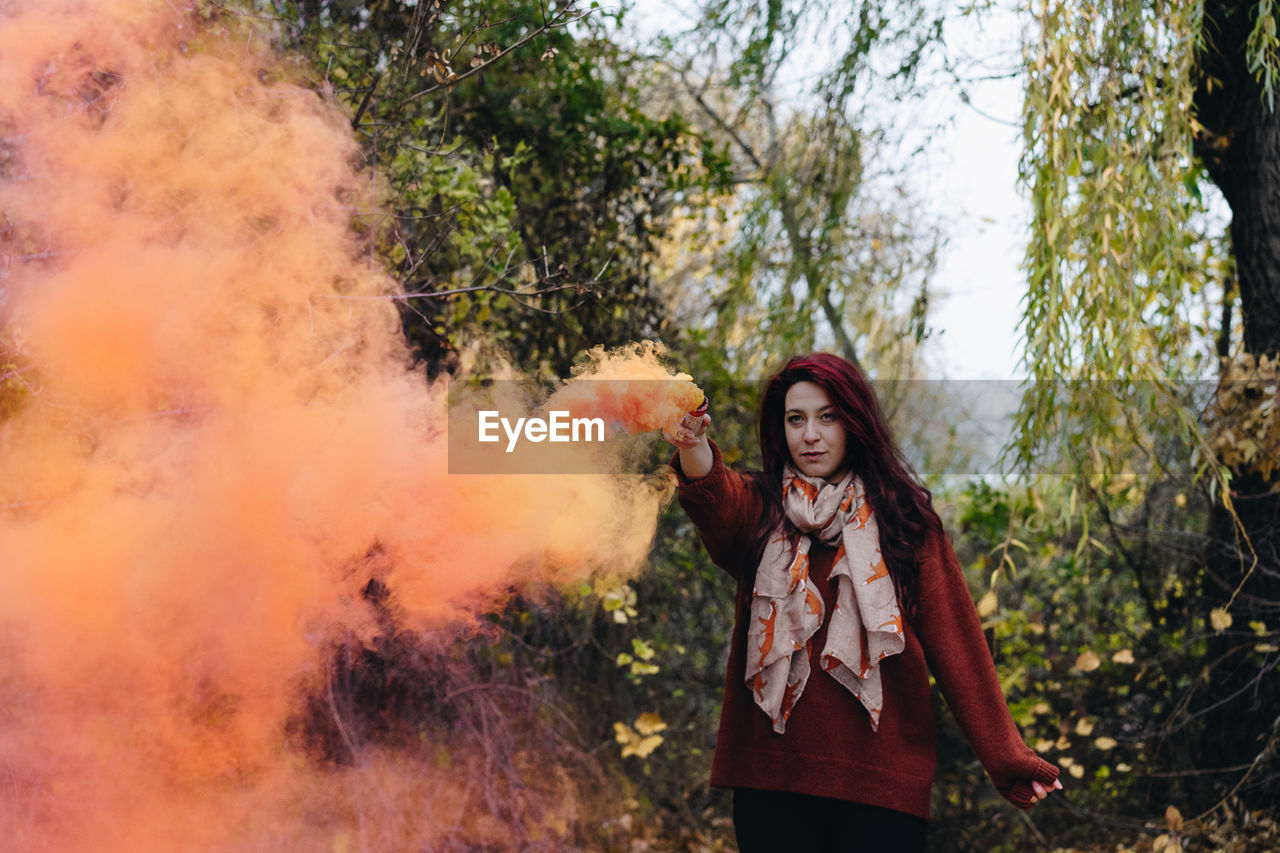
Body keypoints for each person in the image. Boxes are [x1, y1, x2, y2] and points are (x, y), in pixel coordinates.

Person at [664, 353, 1062, 852]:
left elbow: (957, 646)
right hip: (773, 784)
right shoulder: (760, 510)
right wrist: (693, 442)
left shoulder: (907, 523)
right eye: (796, 419)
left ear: (855, 422)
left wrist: (1008, 758)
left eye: (827, 417)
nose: (810, 434)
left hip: (881, 788)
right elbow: (713, 497)